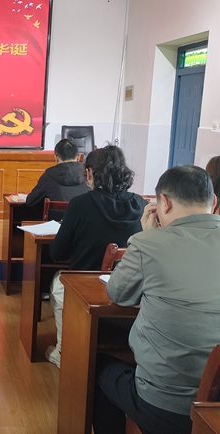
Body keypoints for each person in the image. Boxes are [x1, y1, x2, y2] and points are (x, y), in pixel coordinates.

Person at [93, 165, 220, 434]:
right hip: (215, 410)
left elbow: (118, 294)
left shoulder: (149, 244)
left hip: (167, 408)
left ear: (164, 202)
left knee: (97, 367)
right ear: (213, 202)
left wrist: (147, 235)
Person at [46, 145, 146, 367]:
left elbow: (57, 253)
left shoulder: (80, 204)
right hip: (130, 288)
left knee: (57, 284)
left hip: (84, 285)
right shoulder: (140, 204)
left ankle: (64, 352)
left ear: (90, 173)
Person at [25, 138, 90, 207]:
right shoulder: (88, 175)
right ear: (78, 157)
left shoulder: (48, 176)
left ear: (56, 158)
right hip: (81, 214)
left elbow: (30, 201)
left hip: (57, 214)